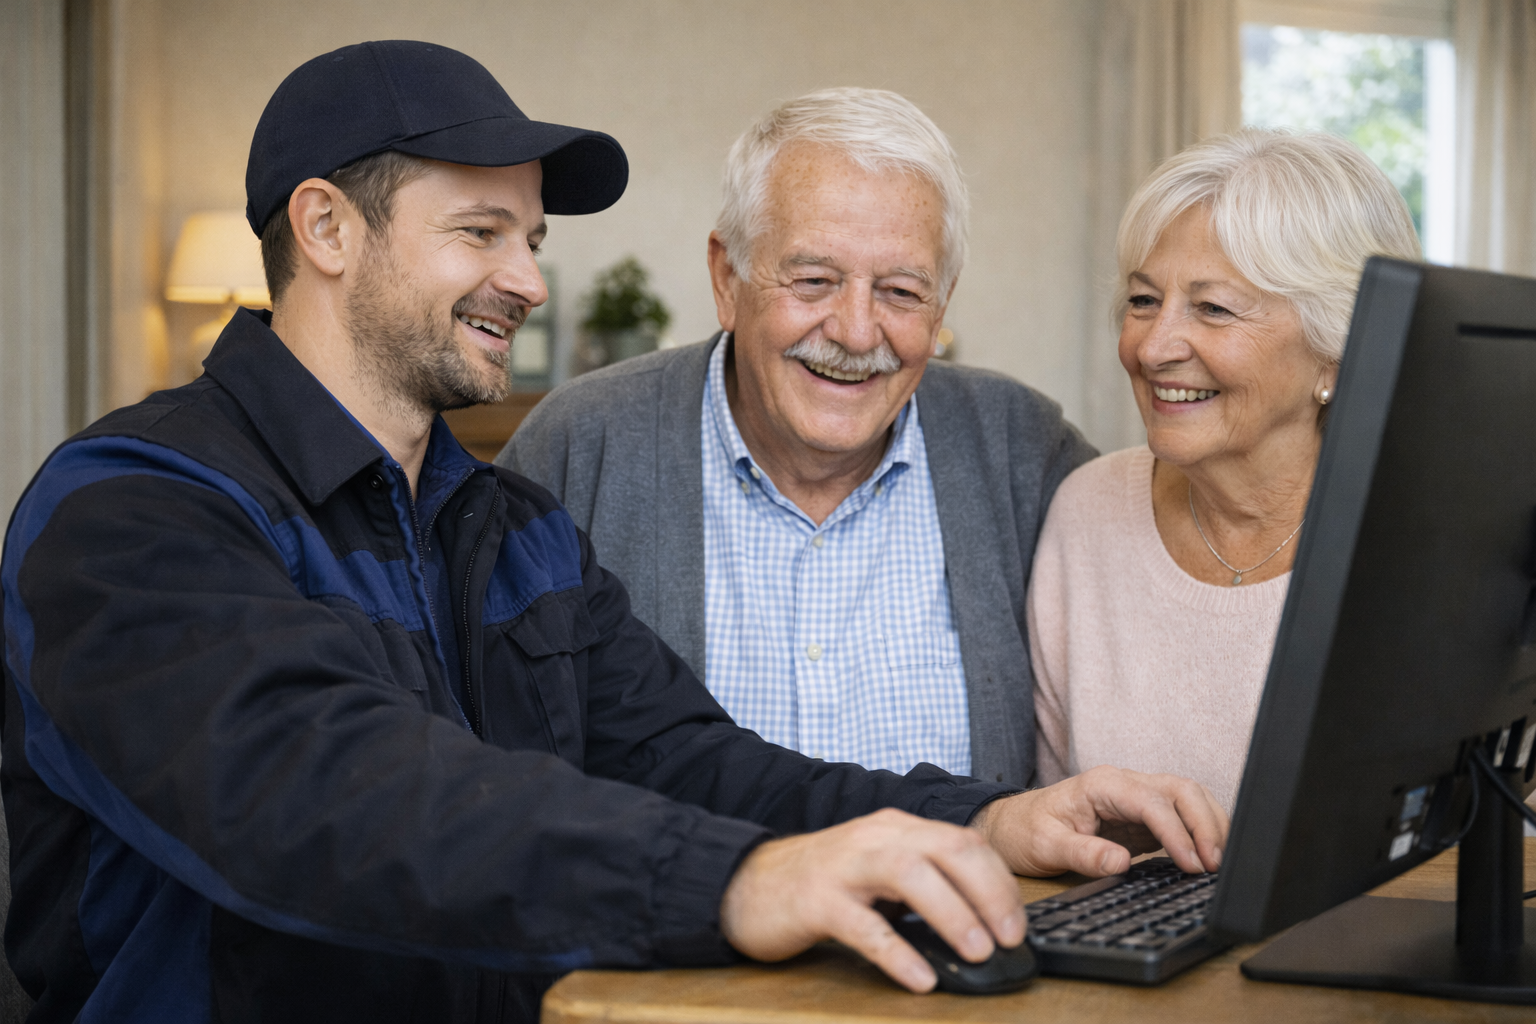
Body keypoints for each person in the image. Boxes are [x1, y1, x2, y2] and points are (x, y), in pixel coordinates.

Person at [0, 42, 1226, 1023]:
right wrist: (740, 881)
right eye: (481, 231)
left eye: (530, 239)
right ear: (325, 229)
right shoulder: (131, 507)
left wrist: (983, 823)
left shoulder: (505, 525)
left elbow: (700, 763)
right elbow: (335, 793)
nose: (529, 279)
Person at [500, 88, 1094, 787]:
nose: (855, 331)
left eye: (902, 292)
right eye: (814, 281)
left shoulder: (1023, 451)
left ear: (942, 305)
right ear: (728, 278)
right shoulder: (577, 446)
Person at [1028, 129, 1423, 811]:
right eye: (1144, 300)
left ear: (1340, 349)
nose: (1153, 347)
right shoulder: (1084, 512)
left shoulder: (1432, 539)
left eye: (1212, 309)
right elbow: (1057, 822)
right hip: (1123, 918)